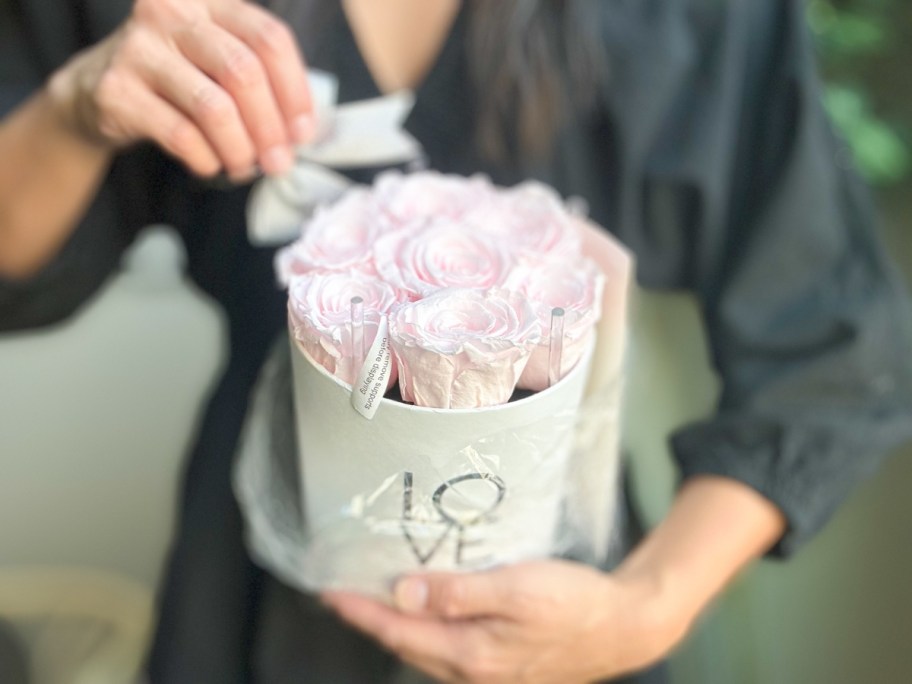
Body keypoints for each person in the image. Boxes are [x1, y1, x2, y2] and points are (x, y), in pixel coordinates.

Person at [1, 0, 910, 682]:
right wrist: (78, 106)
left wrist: (647, 606)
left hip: (566, 604)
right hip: (247, 595)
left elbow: (833, 353)